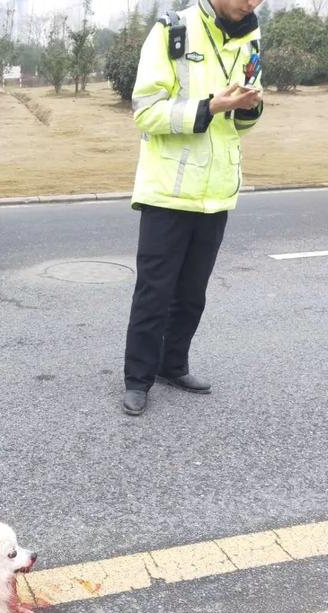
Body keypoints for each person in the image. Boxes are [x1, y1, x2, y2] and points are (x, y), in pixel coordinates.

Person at [123, 0, 264, 416]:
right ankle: (137, 380)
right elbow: (144, 112)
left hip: (216, 189)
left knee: (192, 293)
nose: (252, 2)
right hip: (168, 189)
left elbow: (243, 124)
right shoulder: (172, 29)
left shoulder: (252, 35)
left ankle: (174, 364)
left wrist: (249, 109)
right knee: (155, 293)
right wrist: (210, 106)